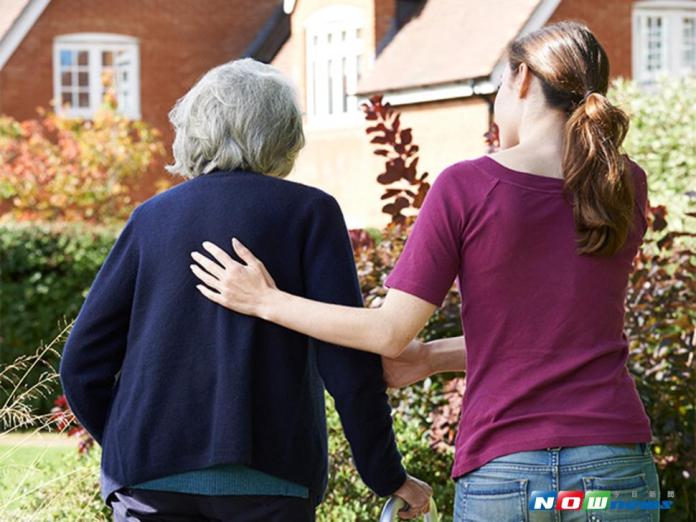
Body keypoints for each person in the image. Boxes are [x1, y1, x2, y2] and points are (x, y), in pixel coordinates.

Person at [190, 22, 662, 521]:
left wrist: (267, 300)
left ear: (521, 80)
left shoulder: (469, 185)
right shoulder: (622, 184)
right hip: (614, 471)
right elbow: (564, 337)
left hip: (507, 474)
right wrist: (433, 357)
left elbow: (389, 332)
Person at [59, 58, 432, 522]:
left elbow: (81, 366)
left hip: (149, 483)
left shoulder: (150, 218)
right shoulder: (310, 214)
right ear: (285, 133)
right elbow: (347, 363)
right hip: (271, 482)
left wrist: (133, 445)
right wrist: (386, 476)